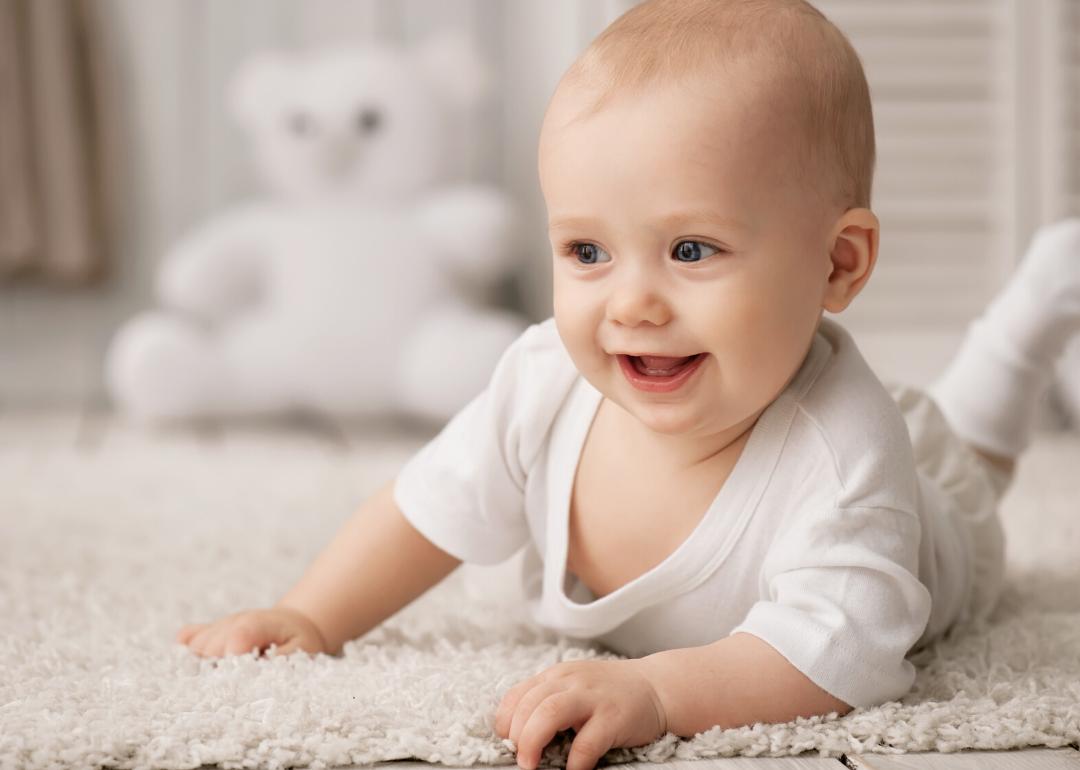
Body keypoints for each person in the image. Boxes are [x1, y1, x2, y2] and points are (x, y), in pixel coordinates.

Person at [175, 2, 1080, 769]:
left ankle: (1026, 321)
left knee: (970, 472)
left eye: (692, 250)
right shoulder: (543, 380)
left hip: (927, 533)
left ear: (838, 263)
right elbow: (425, 505)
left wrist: (659, 688)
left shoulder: (844, 456)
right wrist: (311, 613)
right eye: (587, 252)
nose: (632, 303)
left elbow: (838, 657)